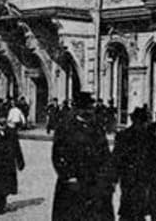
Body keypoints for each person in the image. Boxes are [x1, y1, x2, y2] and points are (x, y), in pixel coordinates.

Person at [52, 91, 115, 220]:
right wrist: (68, 175)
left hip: (94, 180)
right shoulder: (66, 127)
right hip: (73, 181)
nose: (88, 111)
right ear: (77, 109)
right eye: (84, 108)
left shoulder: (97, 127)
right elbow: (57, 154)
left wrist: (108, 176)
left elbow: (105, 154)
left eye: (89, 108)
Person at [114, 108, 154, 221]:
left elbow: (116, 158)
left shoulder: (123, 135)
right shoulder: (149, 136)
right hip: (142, 175)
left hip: (128, 176)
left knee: (128, 204)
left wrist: (114, 178)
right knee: (139, 206)